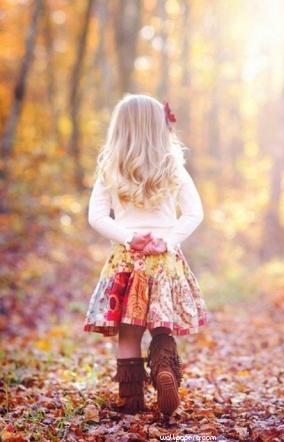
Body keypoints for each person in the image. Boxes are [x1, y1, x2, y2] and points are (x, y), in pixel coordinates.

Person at [83, 93, 208, 417]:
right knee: (161, 326)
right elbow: (194, 214)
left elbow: (97, 217)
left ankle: (131, 401)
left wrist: (129, 238)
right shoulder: (174, 167)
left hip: (126, 262)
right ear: (159, 128)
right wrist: (167, 242)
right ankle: (164, 371)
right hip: (164, 264)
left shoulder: (111, 168)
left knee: (129, 332)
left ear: (120, 129)